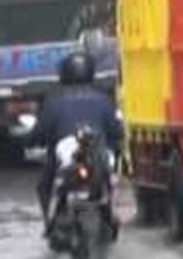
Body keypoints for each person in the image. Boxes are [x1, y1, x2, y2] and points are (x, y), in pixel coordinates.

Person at [33, 50, 123, 233]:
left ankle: (48, 223)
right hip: (97, 161)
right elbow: (117, 131)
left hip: (76, 162)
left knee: (44, 183)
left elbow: (40, 132)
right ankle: (110, 212)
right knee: (110, 176)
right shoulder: (104, 99)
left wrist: (30, 140)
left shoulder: (54, 101)